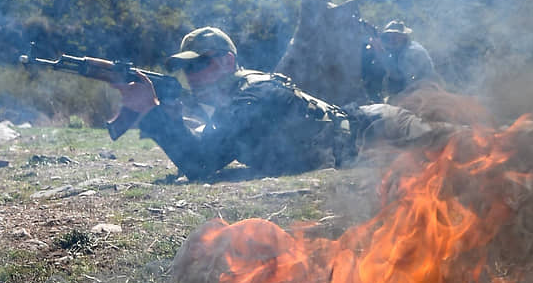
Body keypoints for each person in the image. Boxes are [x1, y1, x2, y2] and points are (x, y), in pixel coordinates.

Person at [114, 27, 456, 181]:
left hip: (378, 129)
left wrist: (152, 112)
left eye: (199, 63)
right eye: (187, 67)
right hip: (364, 141)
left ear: (228, 61)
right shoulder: (234, 101)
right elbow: (206, 145)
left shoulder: (255, 95)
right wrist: (168, 116)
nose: (192, 75)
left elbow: (201, 164)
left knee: (472, 145)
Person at [363, 20, 438, 102]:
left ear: (404, 36)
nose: (392, 39)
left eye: (396, 36)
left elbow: (399, 76)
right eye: (389, 36)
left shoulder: (413, 52)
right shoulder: (398, 49)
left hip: (422, 94)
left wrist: (380, 53)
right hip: (412, 91)